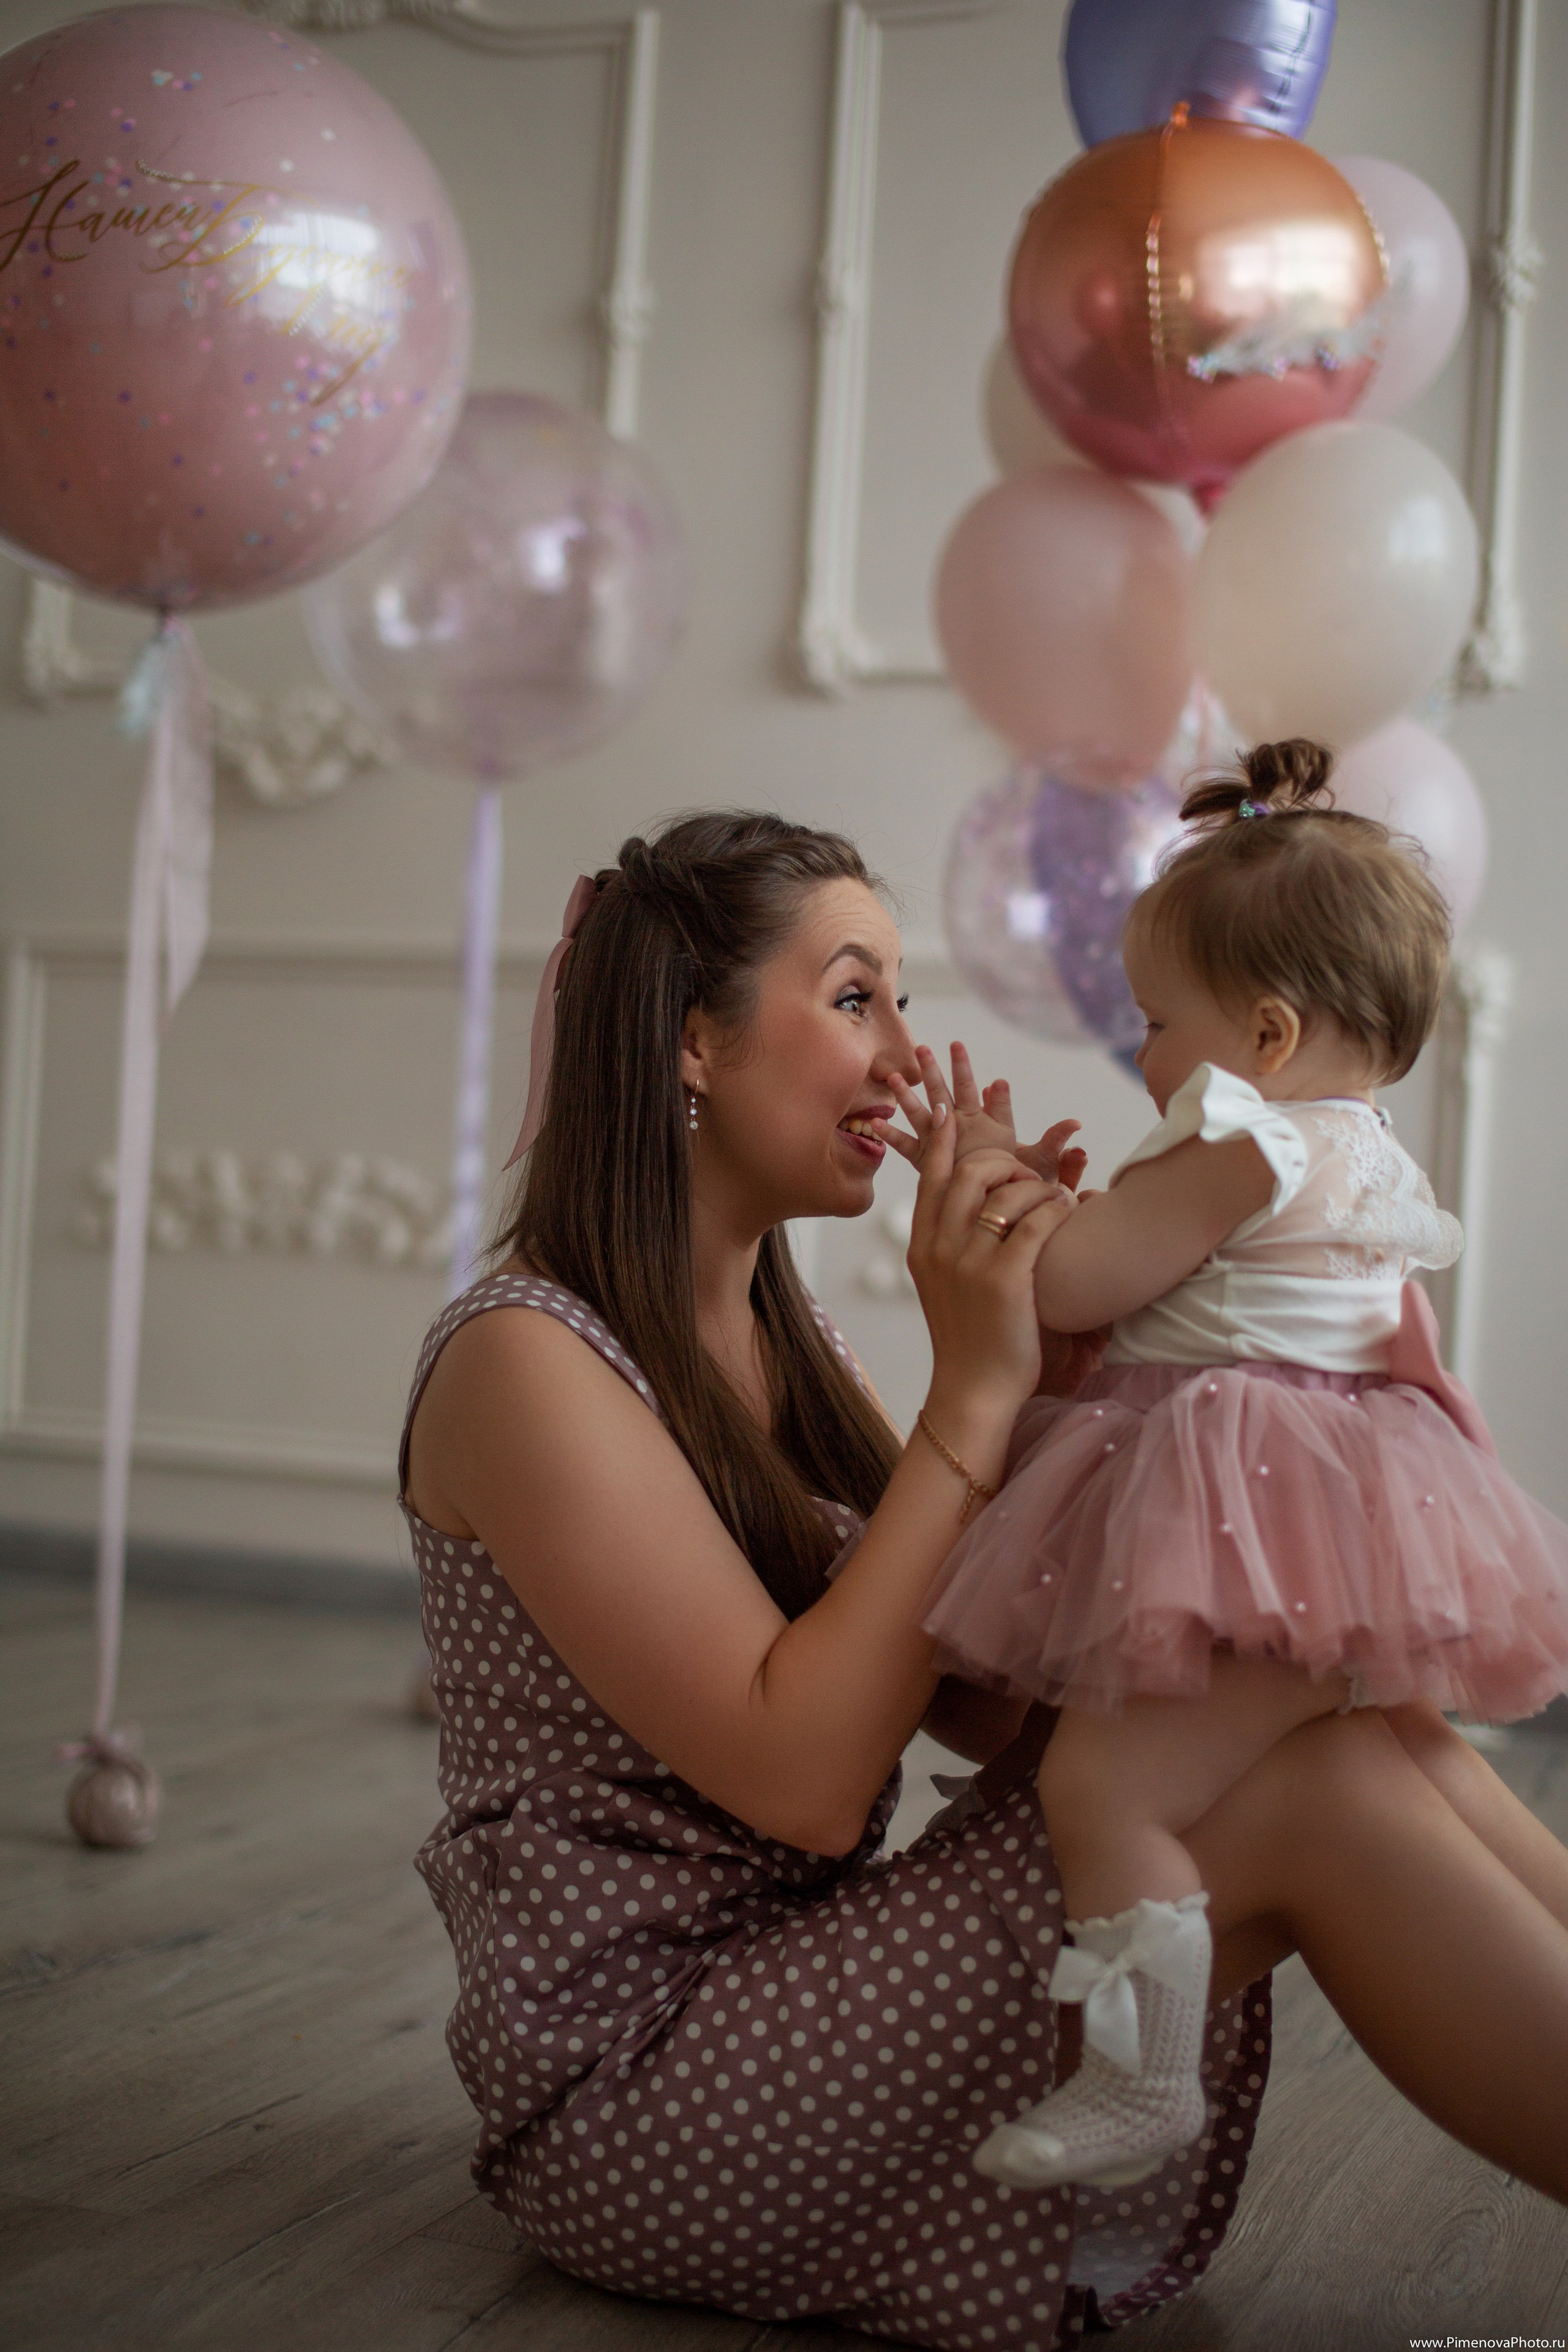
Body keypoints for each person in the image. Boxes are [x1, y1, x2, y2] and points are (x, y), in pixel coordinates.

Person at [401, 809, 1568, 2352]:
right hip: (648, 2085)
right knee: (1307, 1788)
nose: (902, 1056)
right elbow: (811, 1785)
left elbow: (982, 1708)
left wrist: (1059, 1388)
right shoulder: (525, 1361)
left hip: (795, 1990)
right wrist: (973, 1384)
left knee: (1337, 1725)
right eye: (851, 996)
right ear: (692, 1042)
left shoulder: (780, 1342)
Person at [881, 741, 1568, 2199]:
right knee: (1417, 1756)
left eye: (1151, 1023)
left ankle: (1139, 2081)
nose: (1142, 1056)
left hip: (1251, 1514)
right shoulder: (1364, 1150)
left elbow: (1073, 1285)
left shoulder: (1238, 1135)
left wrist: (985, 1179)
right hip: (1346, 1518)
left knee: (1103, 1793)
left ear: (1260, 1035)